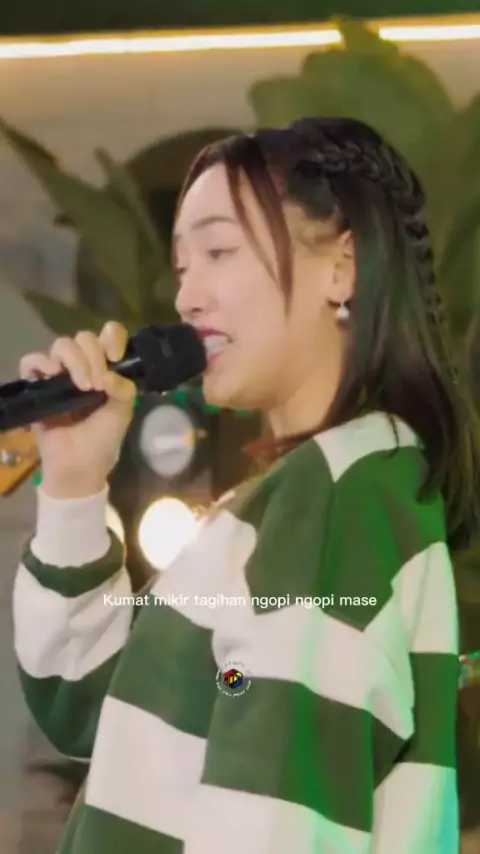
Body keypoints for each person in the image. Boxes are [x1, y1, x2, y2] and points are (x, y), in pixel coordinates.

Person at [12, 117, 479, 853]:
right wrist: (75, 483)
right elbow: (99, 713)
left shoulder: (334, 496)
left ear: (342, 267)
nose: (187, 297)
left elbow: (273, 824)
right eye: (182, 266)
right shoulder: (308, 496)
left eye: (219, 251)